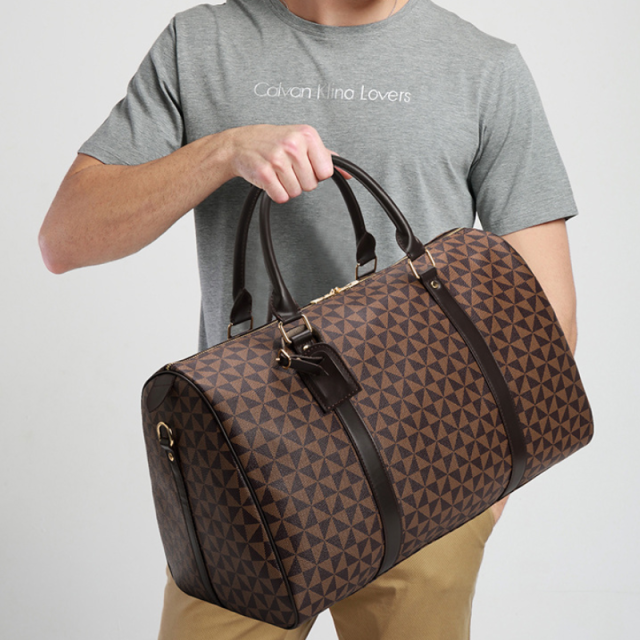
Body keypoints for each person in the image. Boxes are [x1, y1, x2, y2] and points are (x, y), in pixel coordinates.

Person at [39, 0, 580, 638]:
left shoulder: (484, 67)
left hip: (428, 464)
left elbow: (545, 315)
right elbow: (65, 238)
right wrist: (223, 151)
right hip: (245, 471)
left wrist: (487, 486)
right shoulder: (200, 45)